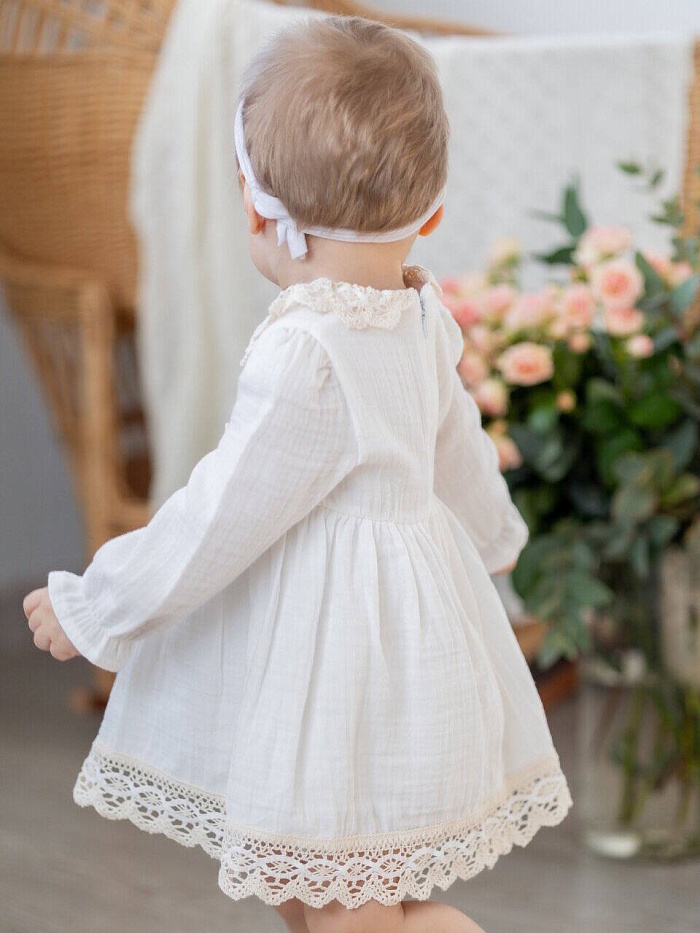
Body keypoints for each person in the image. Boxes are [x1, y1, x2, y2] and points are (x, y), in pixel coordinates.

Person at [23, 15, 571, 933]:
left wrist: (100, 603)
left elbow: (218, 514)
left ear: (254, 207)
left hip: (338, 662)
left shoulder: (308, 351)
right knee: (326, 890)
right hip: (408, 639)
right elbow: (459, 451)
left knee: (347, 907)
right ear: (432, 213)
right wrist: (493, 538)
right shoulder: (420, 318)